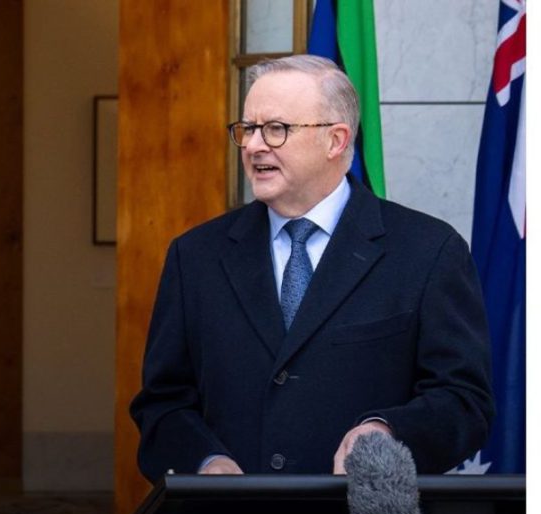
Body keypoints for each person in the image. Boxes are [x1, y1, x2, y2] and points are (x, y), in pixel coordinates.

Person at [130, 55, 493, 481]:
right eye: (247, 129)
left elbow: (464, 400)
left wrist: (385, 433)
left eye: (276, 129)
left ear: (336, 140)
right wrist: (205, 462)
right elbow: (163, 403)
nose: (253, 145)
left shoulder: (427, 251)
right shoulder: (195, 257)